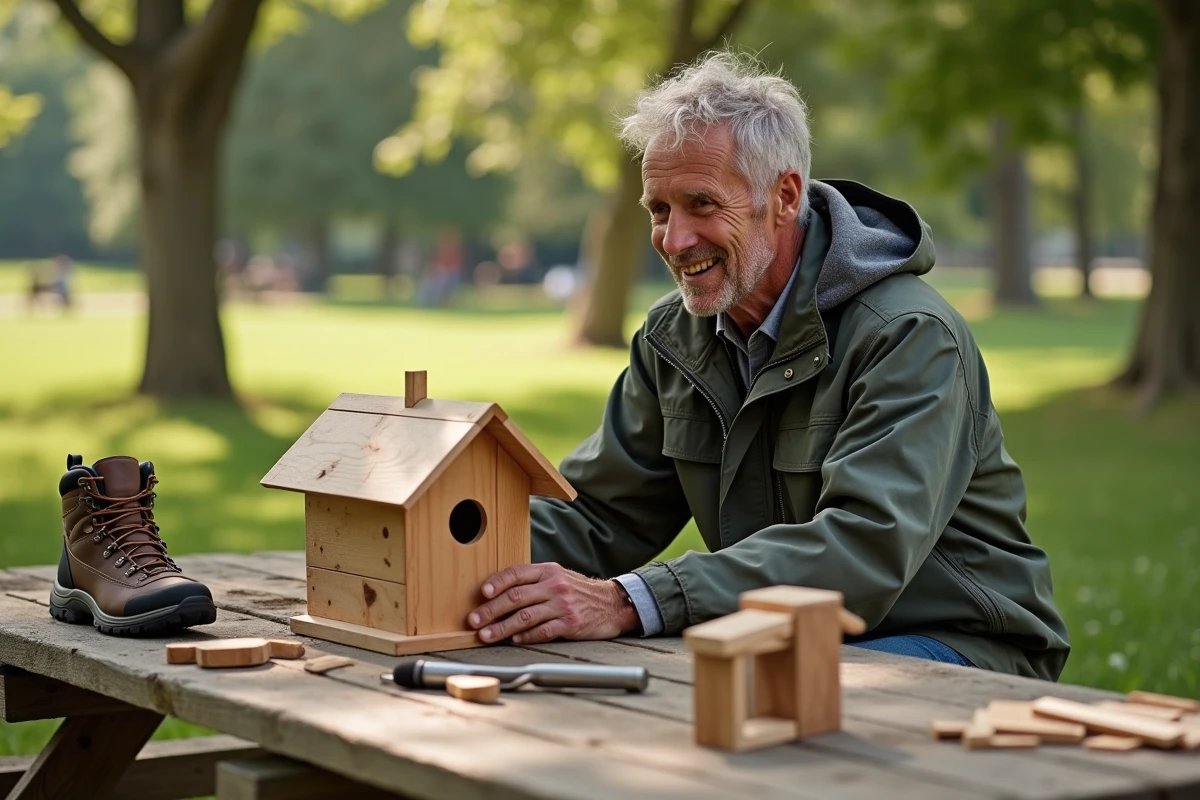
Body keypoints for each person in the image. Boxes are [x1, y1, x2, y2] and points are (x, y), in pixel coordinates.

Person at [467, 52, 1070, 679]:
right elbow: (597, 515)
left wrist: (630, 599)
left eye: (701, 204)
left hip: (960, 643)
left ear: (784, 196)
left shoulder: (909, 336)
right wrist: (434, 551)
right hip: (784, 637)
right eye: (660, 210)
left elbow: (860, 549)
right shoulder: (674, 339)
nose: (674, 241)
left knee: (724, 702)